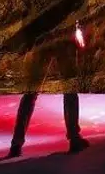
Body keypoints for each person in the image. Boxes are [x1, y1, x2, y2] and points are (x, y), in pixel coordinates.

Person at [8, 21, 90, 157]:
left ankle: (16, 144)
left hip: (40, 39)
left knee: (31, 92)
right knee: (69, 88)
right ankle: (74, 138)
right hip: (62, 37)